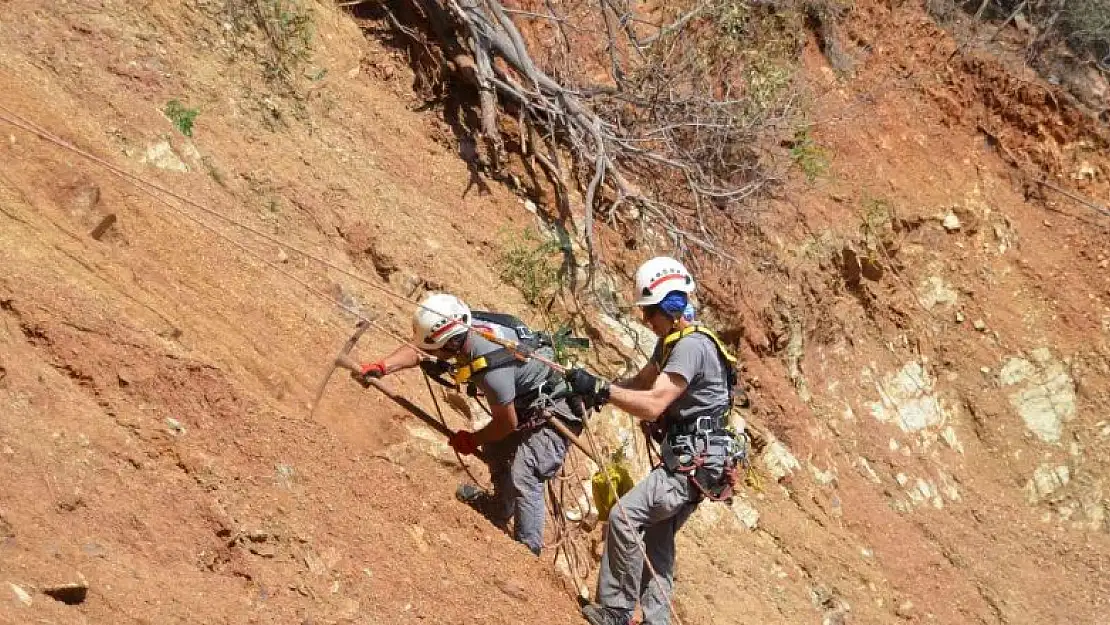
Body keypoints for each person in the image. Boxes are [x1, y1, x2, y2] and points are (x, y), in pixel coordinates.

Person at [565, 257, 746, 625]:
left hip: (691, 463)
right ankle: (656, 620)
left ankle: (615, 611)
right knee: (658, 542)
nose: (646, 321)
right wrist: (597, 390)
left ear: (671, 308)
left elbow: (652, 404)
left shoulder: (690, 348)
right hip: (699, 461)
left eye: (651, 313)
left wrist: (603, 391)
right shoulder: (670, 343)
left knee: (624, 517)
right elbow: (642, 383)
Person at [357, 292, 583, 555]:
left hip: (558, 406)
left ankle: (528, 552)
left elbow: (506, 423)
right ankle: (499, 507)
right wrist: (383, 367)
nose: (433, 354)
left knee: (526, 471)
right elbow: (420, 349)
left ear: (452, 345)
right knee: (496, 450)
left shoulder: (491, 370)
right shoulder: (463, 325)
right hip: (525, 399)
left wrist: (472, 439)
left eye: (437, 350)